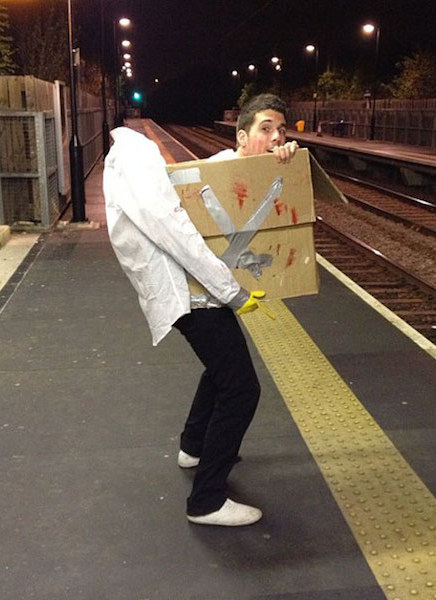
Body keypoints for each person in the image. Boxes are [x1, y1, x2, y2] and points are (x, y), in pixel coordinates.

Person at [104, 93, 296, 527]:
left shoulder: (233, 169)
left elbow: (246, 168)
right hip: (191, 295)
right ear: (242, 135)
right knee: (242, 388)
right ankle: (207, 500)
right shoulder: (203, 176)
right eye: (266, 129)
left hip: (200, 294)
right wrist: (234, 294)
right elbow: (180, 238)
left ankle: (193, 447)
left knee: (221, 369)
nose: (275, 137)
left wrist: (285, 156)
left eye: (281, 130)